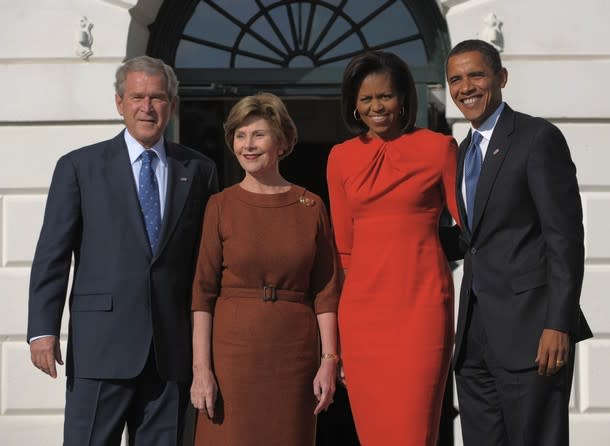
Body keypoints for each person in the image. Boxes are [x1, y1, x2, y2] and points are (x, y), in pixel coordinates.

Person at [27, 55, 218, 445]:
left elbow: (208, 262)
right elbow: (53, 253)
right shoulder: (79, 166)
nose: (147, 107)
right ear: (119, 103)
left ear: (173, 105)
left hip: (170, 351)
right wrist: (42, 331)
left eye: (157, 98)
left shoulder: (199, 170)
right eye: (137, 97)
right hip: (101, 346)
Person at [445, 39, 592, 446]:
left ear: (501, 78)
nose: (465, 87)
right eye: (455, 79)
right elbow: (473, 239)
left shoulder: (537, 138)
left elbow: (564, 238)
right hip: (473, 337)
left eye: (476, 74)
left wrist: (558, 323)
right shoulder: (462, 152)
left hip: (532, 332)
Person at [326, 51, 461, 445]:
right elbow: (343, 250)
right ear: (354, 104)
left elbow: (471, 227)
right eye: (365, 99)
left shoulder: (439, 149)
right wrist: (337, 340)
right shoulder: (340, 158)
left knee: (415, 430)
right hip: (363, 315)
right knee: (374, 432)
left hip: (422, 307)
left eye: (384, 96)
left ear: (403, 97)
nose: (376, 107)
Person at [190, 92, 340, 446]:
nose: (248, 145)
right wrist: (202, 370)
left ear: (282, 141)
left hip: (293, 357)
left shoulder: (310, 205)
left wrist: (329, 359)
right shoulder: (220, 205)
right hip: (231, 357)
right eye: (240, 136)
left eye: (258, 134)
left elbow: (326, 291)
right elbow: (202, 294)